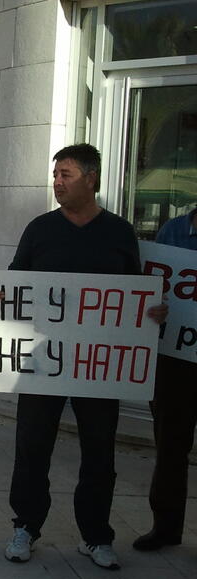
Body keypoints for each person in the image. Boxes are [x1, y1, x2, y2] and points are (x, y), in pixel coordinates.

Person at [0, 143, 167, 570]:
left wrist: (153, 313)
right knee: (32, 448)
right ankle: (26, 526)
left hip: (97, 367)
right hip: (41, 362)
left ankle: (96, 535)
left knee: (100, 453)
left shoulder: (119, 233)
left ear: (91, 178)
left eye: (65, 174)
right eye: (55, 175)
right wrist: (0, 297)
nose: (57, 182)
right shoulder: (40, 229)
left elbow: (134, 296)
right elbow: (16, 280)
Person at [133, 206, 197, 551]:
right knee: (171, 448)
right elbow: (153, 290)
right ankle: (166, 528)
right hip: (174, 361)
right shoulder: (172, 231)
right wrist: (152, 309)